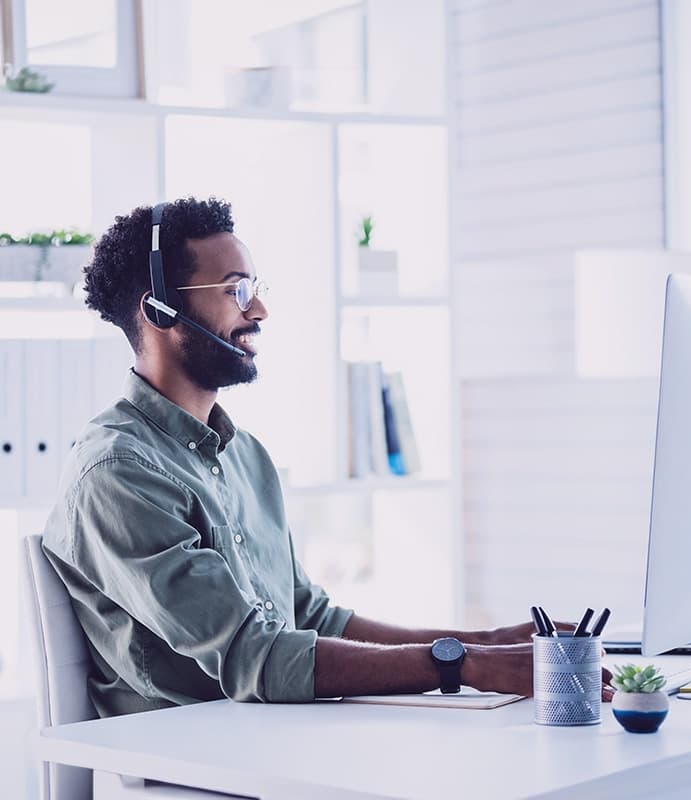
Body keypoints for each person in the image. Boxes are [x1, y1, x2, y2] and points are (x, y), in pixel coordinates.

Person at [43, 197, 613, 717]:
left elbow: (307, 617)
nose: (259, 309)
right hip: (189, 759)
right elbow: (254, 658)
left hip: (272, 734)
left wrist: (483, 644)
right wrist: (464, 666)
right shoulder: (119, 473)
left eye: (255, 287)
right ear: (161, 311)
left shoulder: (245, 456)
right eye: (236, 290)